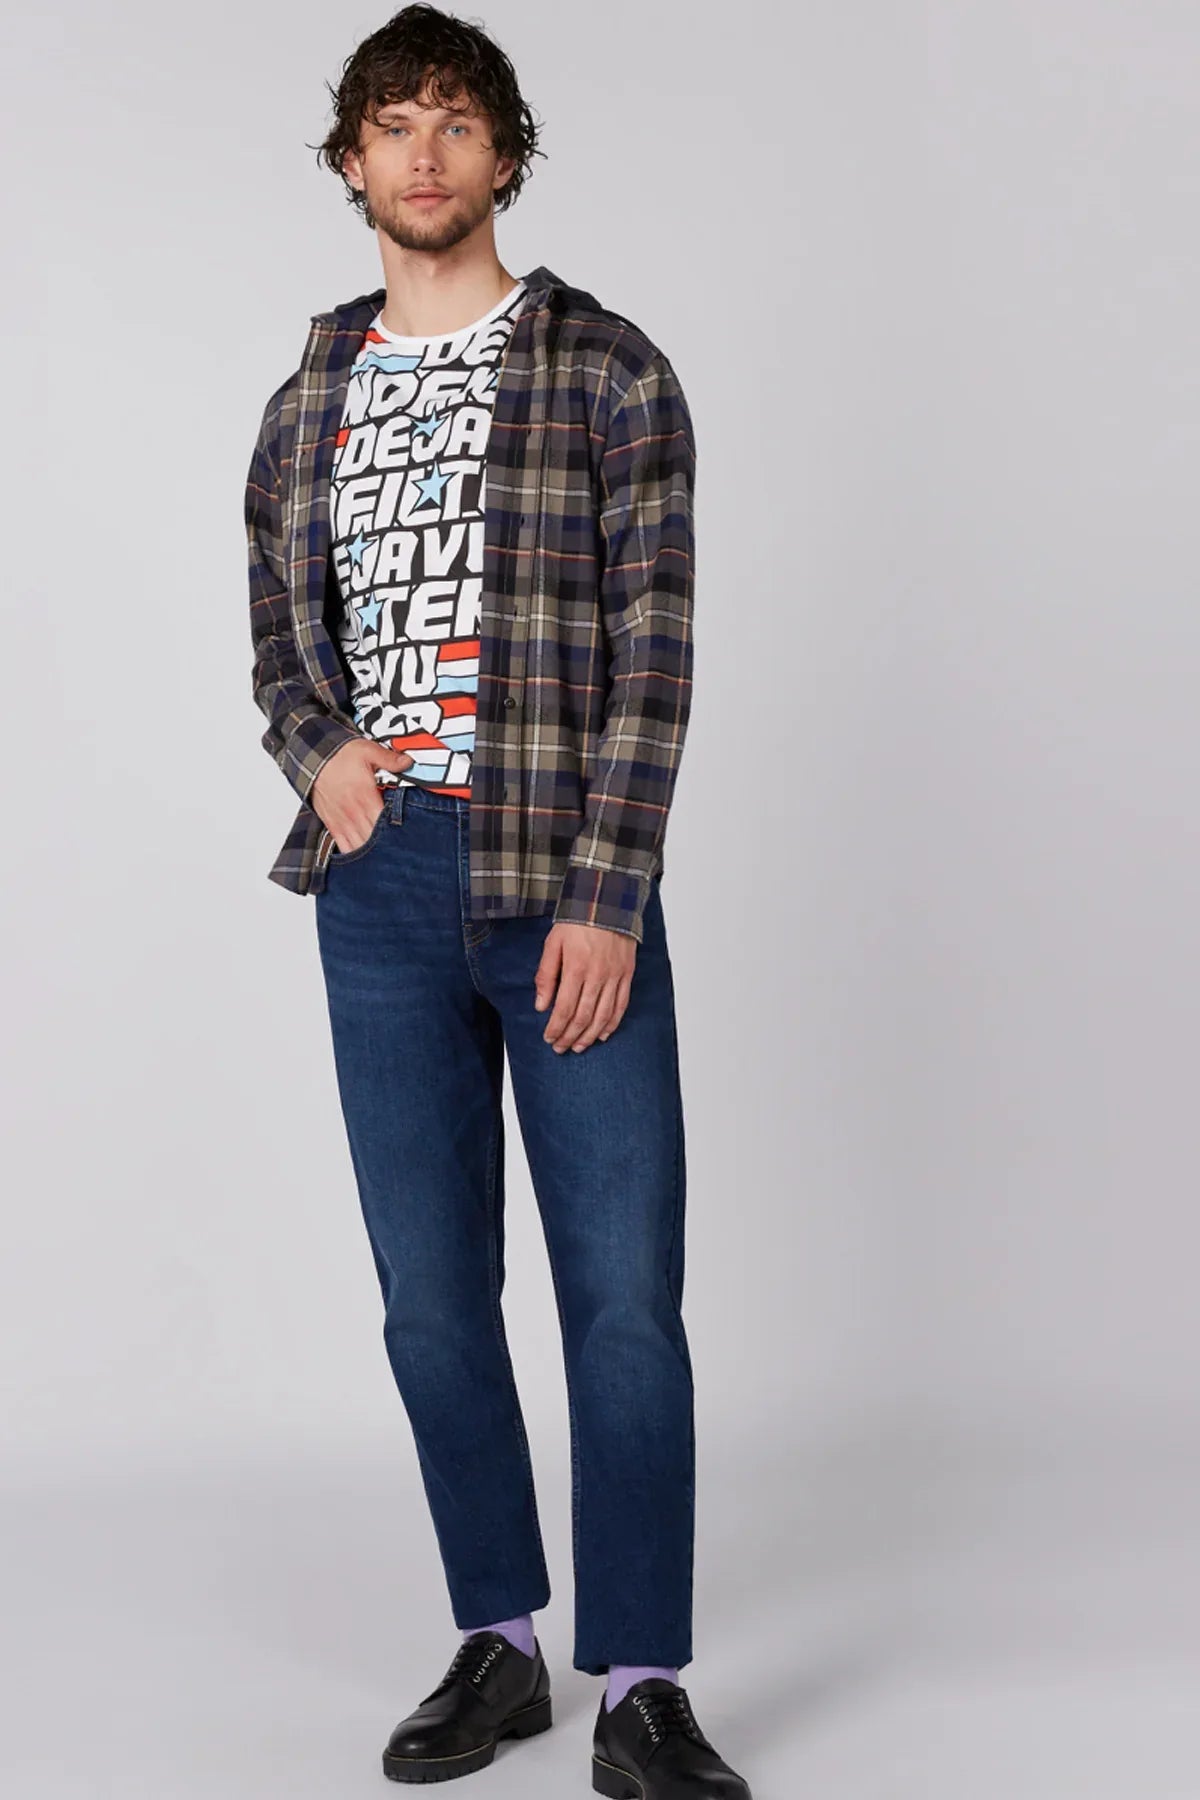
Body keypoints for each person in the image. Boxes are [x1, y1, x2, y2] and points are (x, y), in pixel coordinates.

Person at [243, 6, 750, 1794]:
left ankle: (643, 1686)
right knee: (431, 1298)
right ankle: (502, 1645)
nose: (425, 151)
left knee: (623, 1295)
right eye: (393, 124)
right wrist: (323, 754)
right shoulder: (310, 394)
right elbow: (279, 636)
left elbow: (655, 649)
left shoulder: (608, 368)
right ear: (352, 162)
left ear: (505, 155)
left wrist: (609, 892)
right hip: (380, 888)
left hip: (562, 880)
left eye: (456, 120)